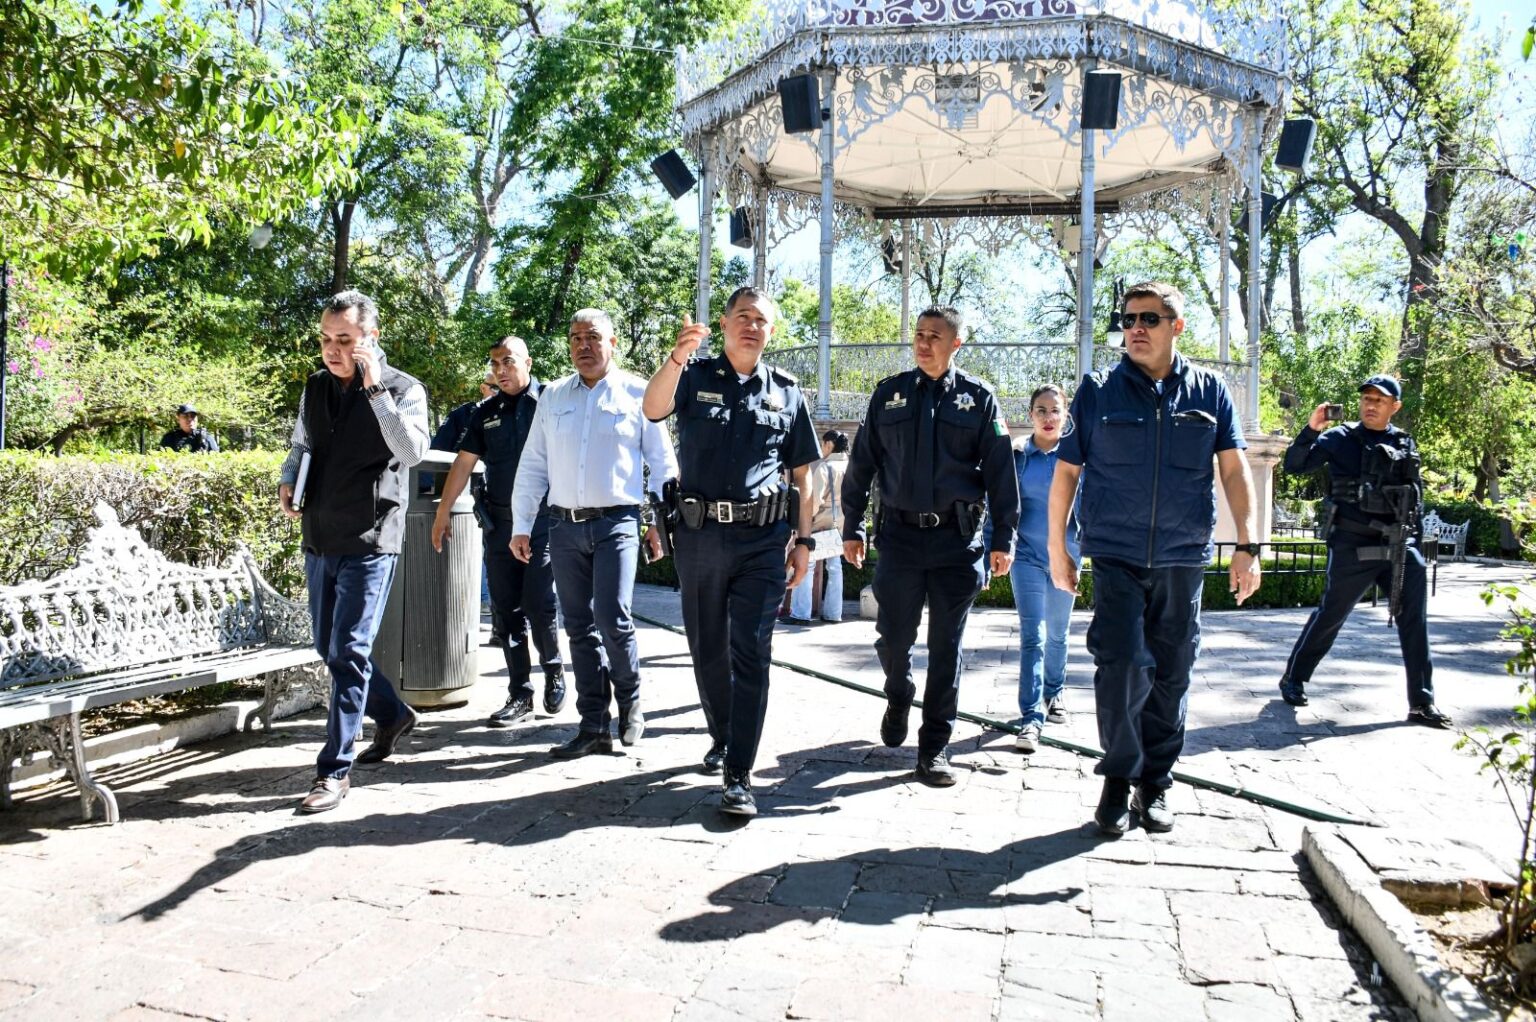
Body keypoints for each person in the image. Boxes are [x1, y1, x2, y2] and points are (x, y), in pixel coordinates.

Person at [1047, 281, 1261, 837]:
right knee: (1119, 666)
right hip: (1116, 554)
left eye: (1149, 319)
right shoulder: (1097, 391)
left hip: (1181, 556)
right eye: (1128, 319)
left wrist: (1248, 545)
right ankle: (1118, 777)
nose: (1135, 329)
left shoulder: (1210, 392)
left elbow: (1234, 472)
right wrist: (1058, 549)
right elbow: (1066, 473)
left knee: (1171, 671)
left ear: (1176, 327)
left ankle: (1156, 782)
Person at [642, 286, 820, 817]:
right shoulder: (693, 376)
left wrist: (804, 541)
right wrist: (676, 355)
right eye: (742, 316)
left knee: (752, 652)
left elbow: (802, 476)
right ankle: (723, 734)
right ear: (723, 324)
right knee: (708, 649)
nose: (752, 326)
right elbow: (653, 409)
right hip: (699, 538)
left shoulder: (788, 392)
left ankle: (739, 773)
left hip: (761, 543)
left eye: (761, 320)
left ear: (771, 331)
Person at [841, 307, 1020, 787]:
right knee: (893, 638)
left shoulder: (978, 399)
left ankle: (934, 747)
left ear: (955, 344)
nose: (923, 344)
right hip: (898, 539)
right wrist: (852, 526)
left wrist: (1004, 538)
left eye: (934, 336)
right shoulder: (889, 395)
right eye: (918, 335)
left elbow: (1002, 474)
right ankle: (898, 691)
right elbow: (861, 466)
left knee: (948, 646)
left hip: (956, 543)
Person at [278, 290, 429, 814]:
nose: (332, 349)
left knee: (349, 651)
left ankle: (332, 771)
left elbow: (410, 451)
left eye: (344, 339)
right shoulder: (315, 386)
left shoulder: (405, 389)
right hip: (320, 535)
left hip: (371, 539)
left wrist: (372, 392)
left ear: (371, 338)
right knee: (330, 646)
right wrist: (288, 477)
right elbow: (301, 443)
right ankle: (392, 714)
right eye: (325, 338)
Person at [511, 309, 679, 757]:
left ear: (613, 342)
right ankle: (592, 724)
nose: (583, 345)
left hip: (617, 523)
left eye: (593, 337)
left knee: (612, 616)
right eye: (576, 338)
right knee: (579, 626)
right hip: (563, 526)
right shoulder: (553, 397)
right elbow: (533, 464)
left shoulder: (639, 392)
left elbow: (663, 464)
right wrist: (521, 525)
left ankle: (630, 702)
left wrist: (661, 524)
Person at [1276, 375, 1451, 728]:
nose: (1371, 405)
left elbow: (1414, 494)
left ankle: (1421, 702)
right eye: (1367, 399)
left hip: (1399, 548)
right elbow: (1295, 465)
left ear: (1394, 407)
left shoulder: (1404, 441)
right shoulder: (1340, 438)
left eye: (1380, 400)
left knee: (1414, 623)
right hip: (1353, 545)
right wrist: (1312, 429)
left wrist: (1412, 541)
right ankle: (1294, 678)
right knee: (1332, 615)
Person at [431, 337, 565, 727]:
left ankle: (554, 670)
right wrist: (442, 510)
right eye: (494, 363)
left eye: (508, 361)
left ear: (528, 361)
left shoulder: (550, 404)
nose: (500, 370)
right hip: (500, 524)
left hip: (543, 522)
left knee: (539, 605)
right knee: (506, 612)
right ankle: (519, 693)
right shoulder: (484, 412)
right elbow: (464, 461)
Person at [1010, 384, 1080, 755]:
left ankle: (1055, 692)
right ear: (1031, 414)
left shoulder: (1076, 456)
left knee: (1058, 634)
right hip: (1026, 556)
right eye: (1041, 410)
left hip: (1066, 557)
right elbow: (1003, 503)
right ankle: (1030, 717)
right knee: (1032, 636)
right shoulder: (1019, 455)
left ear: (1065, 414)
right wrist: (998, 546)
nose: (1048, 417)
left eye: (1055, 410)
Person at [785, 429, 850, 624]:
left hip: (820, 523)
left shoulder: (825, 468)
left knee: (808, 564)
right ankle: (833, 613)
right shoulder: (851, 466)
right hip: (840, 524)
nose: (822, 449)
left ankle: (800, 613)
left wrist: (803, 523)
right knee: (835, 567)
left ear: (829, 444)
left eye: (823, 445)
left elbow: (813, 501)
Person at [431, 372, 496, 453]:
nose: (500, 394)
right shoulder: (462, 415)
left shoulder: (513, 419)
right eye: (495, 388)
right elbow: (438, 453)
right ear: (483, 388)